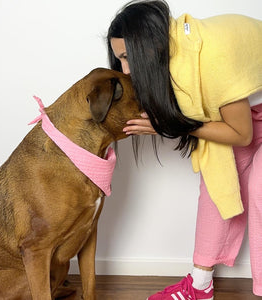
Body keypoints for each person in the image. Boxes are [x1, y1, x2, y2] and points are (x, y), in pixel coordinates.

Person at [106, 0, 262, 299]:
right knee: (218, 180)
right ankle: (199, 286)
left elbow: (241, 135)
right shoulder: (177, 49)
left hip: (244, 121)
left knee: (259, 187)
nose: (125, 70)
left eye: (127, 57)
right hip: (249, 112)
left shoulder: (212, 59)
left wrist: (171, 125)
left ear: (148, 45)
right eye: (120, 60)